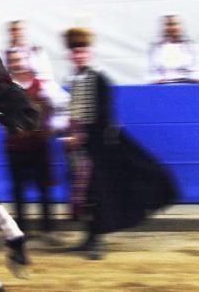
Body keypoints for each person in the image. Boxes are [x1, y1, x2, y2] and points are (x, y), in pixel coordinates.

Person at [63, 27, 177, 260]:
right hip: (79, 147)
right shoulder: (73, 79)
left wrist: (82, 136)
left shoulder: (99, 79)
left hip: (99, 147)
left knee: (98, 193)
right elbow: (74, 112)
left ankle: (97, 240)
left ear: (88, 53)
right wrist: (72, 135)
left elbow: (103, 116)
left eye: (82, 51)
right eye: (75, 52)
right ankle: (89, 236)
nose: (78, 55)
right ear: (71, 55)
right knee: (83, 194)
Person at [3, 49, 59, 239]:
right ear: (9, 63)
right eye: (13, 60)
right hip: (14, 146)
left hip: (38, 145)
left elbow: (60, 105)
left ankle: (48, 230)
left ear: (26, 61)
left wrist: (52, 127)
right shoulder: (3, 87)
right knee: (18, 189)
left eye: (19, 59)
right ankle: (21, 231)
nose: (17, 63)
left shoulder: (42, 85)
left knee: (43, 188)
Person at [148, 15, 199, 84]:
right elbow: (152, 73)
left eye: (175, 24)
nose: (172, 28)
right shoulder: (156, 48)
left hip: (188, 87)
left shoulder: (192, 46)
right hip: (163, 89)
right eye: (168, 25)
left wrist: (192, 79)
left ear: (180, 26)